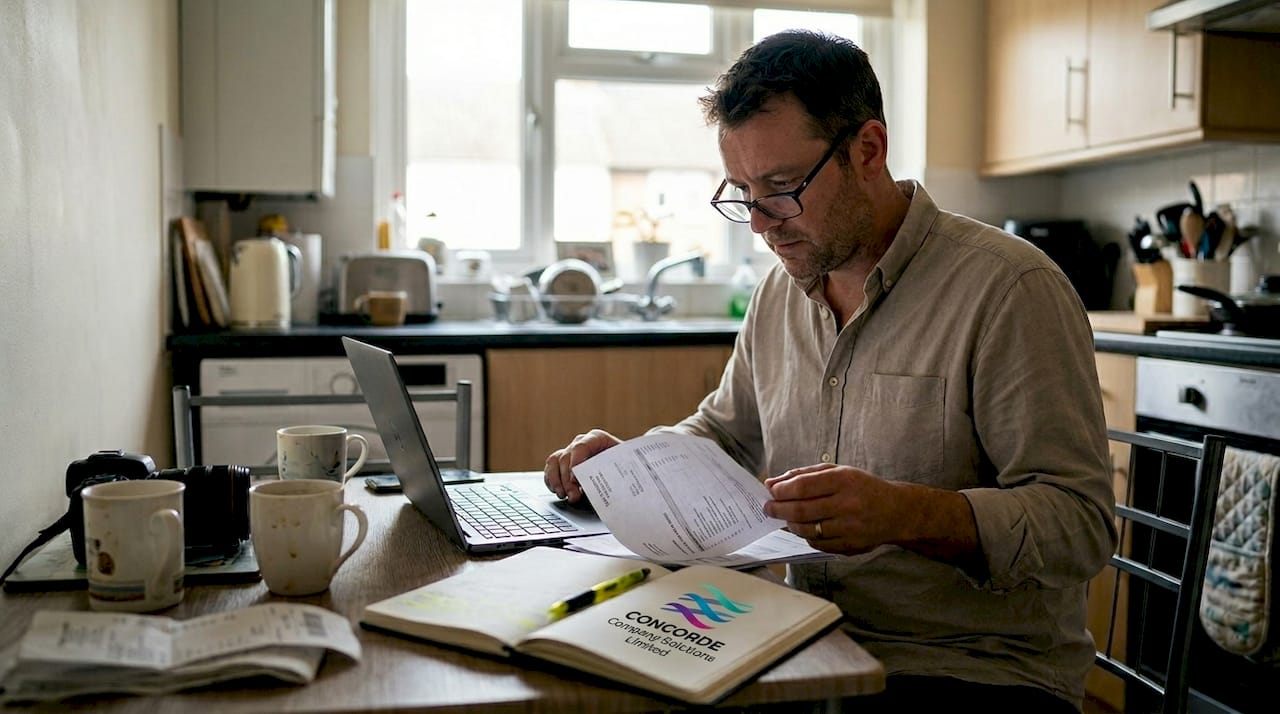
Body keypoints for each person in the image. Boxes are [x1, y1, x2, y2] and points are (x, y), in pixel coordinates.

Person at [544, 30, 1115, 713]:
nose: (759, 224)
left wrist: (907, 514)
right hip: (798, 638)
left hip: (967, 670)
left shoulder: (1009, 288)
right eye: (743, 192)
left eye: (783, 188)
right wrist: (631, 467)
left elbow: (1081, 524)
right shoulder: (782, 290)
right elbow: (725, 433)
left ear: (867, 150)